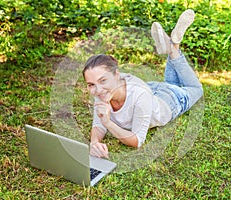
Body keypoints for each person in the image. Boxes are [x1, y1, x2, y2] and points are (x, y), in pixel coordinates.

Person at [82, 9, 203, 158]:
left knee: (196, 89)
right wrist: (94, 142)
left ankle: (173, 49)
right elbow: (98, 125)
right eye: (91, 84)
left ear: (116, 75)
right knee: (171, 82)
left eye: (102, 80)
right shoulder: (102, 90)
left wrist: (108, 123)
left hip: (170, 100)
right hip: (151, 90)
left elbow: (137, 140)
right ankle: (174, 46)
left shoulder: (138, 95)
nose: (97, 89)